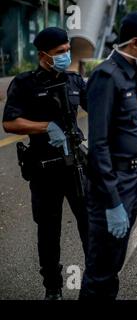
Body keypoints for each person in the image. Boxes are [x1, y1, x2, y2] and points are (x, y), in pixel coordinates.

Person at [79, 11, 137, 300]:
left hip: (128, 177)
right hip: (111, 183)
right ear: (135, 43)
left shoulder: (130, 75)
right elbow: (99, 145)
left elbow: (127, 135)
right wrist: (112, 201)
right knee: (101, 268)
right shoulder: (107, 77)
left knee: (114, 262)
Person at [2, 27, 88, 300]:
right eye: (60, 52)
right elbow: (9, 122)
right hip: (44, 170)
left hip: (76, 167)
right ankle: (53, 288)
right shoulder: (25, 83)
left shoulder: (75, 81)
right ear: (43, 55)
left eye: (67, 51)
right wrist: (45, 127)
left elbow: (98, 108)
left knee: (90, 226)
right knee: (49, 233)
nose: (66, 56)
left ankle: (96, 283)